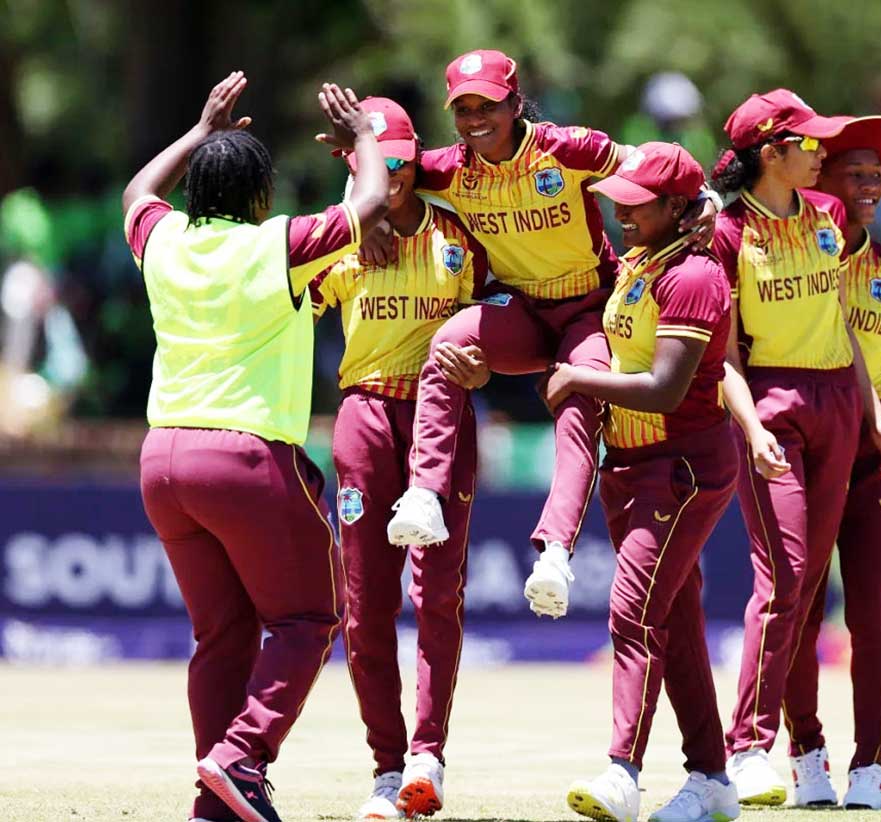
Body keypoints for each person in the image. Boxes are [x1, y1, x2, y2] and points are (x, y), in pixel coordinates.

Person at [123, 72, 387, 822]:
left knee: (222, 633)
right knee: (310, 617)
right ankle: (244, 757)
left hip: (163, 459)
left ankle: (217, 798)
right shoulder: (278, 245)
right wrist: (366, 137)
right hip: (242, 458)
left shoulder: (164, 240)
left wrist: (199, 131)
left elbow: (137, 192)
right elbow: (365, 206)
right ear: (261, 195)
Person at [383, 49, 716, 619]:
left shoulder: (570, 148)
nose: (474, 119)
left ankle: (556, 554)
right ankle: (425, 495)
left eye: (486, 104)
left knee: (580, 399)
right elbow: (387, 169)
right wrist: (369, 220)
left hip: (588, 308)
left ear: (515, 103)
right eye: (462, 108)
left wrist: (705, 198)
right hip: (520, 309)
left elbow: (654, 169)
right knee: (446, 345)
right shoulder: (447, 169)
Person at [710, 90, 881, 808]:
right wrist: (754, 428)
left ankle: (811, 755)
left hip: (840, 407)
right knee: (785, 578)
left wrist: (877, 414)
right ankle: (750, 747)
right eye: (810, 144)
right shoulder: (728, 232)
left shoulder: (824, 217)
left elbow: (841, 324)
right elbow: (725, 355)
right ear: (772, 154)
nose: (822, 152)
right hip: (774, 408)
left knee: (809, 589)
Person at [540, 141, 738, 822]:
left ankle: (623, 772)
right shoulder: (641, 261)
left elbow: (663, 387)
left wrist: (576, 377)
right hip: (631, 467)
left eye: (636, 204)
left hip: (680, 469)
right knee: (674, 622)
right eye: (618, 200)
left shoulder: (695, 277)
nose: (621, 212)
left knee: (632, 613)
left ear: (677, 207)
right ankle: (713, 780)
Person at [311, 97, 490, 820]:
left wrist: (488, 362)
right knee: (365, 607)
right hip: (364, 418)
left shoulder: (457, 236)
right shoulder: (338, 239)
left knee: (438, 595)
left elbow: (503, 310)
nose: (396, 181)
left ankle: (426, 757)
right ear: (354, 167)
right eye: (379, 169)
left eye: (404, 166)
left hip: (440, 420)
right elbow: (286, 306)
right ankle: (387, 769)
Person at [773, 114, 881, 811]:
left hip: (873, 462)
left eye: (877, 176)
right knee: (798, 610)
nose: (869, 187)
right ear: (819, 180)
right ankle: (806, 754)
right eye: (854, 173)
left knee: (873, 612)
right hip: (804, 453)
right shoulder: (790, 256)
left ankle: (870, 764)